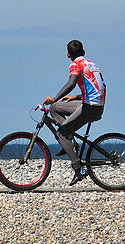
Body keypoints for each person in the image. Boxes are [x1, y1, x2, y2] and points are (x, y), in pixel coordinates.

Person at [43, 39, 106, 186]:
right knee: (55, 108)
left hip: (90, 107)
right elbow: (95, 88)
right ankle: (72, 141)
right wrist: (76, 97)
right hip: (95, 104)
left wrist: (54, 98)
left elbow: (71, 83)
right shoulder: (91, 63)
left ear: (68, 54)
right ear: (83, 51)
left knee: (60, 133)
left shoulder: (75, 64)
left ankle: (78, 169)